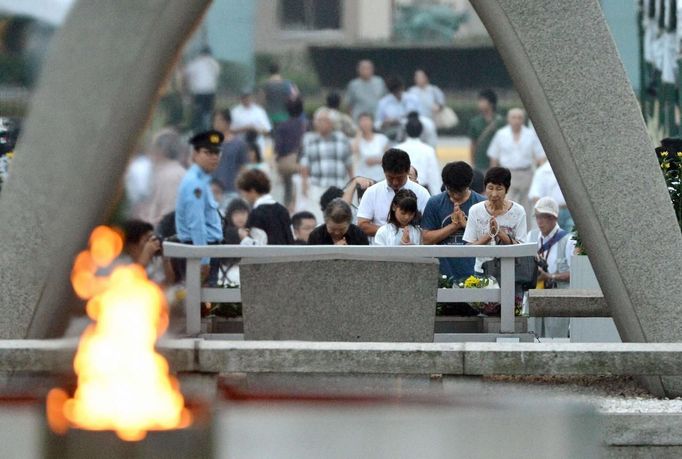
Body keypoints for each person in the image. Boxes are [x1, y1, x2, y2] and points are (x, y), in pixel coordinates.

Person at [422, 162, 486, 281]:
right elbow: (426, 239)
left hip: (475, 274)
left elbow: (488, 238)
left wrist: (466, 225)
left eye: (459, 191)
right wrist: (453, 226)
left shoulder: (482, 204)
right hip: (443, 275)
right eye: (451, 190)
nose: (456, 195)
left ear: (468, 185)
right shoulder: (434, 203)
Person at [175, 130, 225, 282]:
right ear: (194, 154)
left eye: (217, 152)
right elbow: (196, 224)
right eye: (208, 152)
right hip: (200, 251)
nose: (214, 157)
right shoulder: (194, 184)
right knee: (203, 304)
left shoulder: (201, 180)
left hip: (205, 249)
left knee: (207, 304)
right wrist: (203, 261)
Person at [526, 197, 576, 338]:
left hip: (558, 301)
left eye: (545, 217)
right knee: (533, 338)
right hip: (535, 296)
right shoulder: (531, 236)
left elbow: (575, 274)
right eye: (538, 217)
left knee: (556, 339)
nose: (540, 221)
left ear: (554, 217)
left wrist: (550, 276)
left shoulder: (568, 240)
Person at [487, 108, 546, 226]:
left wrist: (543, 175)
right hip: (507, 174)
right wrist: (492, 178)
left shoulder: (530, 135)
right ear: (508, 119)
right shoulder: (501, 134)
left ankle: (525, 234)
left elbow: (540, 157)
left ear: (523, 120)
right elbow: (494, 157)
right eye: (514, 117)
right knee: (507, 205)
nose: (516, 121)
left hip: (526, 173)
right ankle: (508, 231)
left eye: (519, 118)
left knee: (527, 208)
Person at [463, 167, 527, 274]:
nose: (494, 194)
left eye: (499, 188)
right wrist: (489, 235)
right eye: (490, 188)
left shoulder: (518, 211)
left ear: (507, 189)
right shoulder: (475, 211)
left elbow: (521, 248)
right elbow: (469, 248)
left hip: (510, 271)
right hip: (481, 271)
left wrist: (500, 233)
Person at [357, 148, 430, 238]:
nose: (395, 182)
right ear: (383, 171)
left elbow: (429, 227)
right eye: (390, 177)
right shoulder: (372, 192)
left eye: (399, 178)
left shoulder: (422, 193)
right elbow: (362, 224)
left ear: (408, 171)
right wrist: (391, 233)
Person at [300, 108, 353, 222]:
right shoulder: (309, 139)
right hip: (317, 185)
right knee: (318, 219)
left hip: (338, 185)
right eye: (318, 120)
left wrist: (352, 182)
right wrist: (304, 183)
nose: (320, 123)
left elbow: (349, 162)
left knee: (338, 218)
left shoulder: (341, 138)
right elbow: (304, 163)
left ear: (331, 123)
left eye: (323, 120)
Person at [136, 129, 187, 226]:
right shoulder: (163, 172)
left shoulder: (172, 175)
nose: (150, 151)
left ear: (160, 150)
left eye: (153, 147)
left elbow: (168, 215)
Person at [236, 169, 294, 245]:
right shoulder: (283, 210)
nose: (243, 196)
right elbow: (292, 238)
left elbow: (259, 247)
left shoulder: (256, 214)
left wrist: (244, 238)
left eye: (243, 192)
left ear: (252, 191)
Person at [273, 97, 307, 210]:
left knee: (288, 190)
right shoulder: (306, 125)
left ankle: (288, 212)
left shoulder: (282, 126)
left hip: (287, 163)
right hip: (303, 163)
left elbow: (278, 147)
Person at [394, 116, 442, 194]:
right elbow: (433, 176)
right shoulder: (428, 150)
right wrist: (436, 196)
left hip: (401, 190)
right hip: (422, 189)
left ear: (406, 130)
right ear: (421, 131)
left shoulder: (397, 149)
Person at [212, 109, 249, 202]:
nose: (216, 124)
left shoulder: (239, 144)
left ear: (227, 122)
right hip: (212, 190)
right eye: (214, 121)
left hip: (231, 191)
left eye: (219, 121)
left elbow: (243, 167)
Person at [528, 160, 574, 231]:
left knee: (571, 238)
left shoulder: (571, 167)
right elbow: (535, 195)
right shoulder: (542, 171)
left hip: (570, 210)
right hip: (551, 212)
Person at [184, 46, 221, 132]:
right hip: (210, 92)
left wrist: (188, 89)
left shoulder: (195, 62)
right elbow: (216, 75)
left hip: (199, 92)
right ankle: (207, 128)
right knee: (208, 112)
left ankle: (200, 129)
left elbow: (187, 74)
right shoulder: (214, 63)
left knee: (199, 112)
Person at [468, 89, 506, 172]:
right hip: (480, 164)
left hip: (499, 164)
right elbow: (473, 144)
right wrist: (472, 163)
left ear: (491, 103)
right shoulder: (475, 122)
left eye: (482, 101)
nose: (479, 104)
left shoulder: (501, 122)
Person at [374, 76, 420, 141]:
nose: (398, 94)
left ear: (402, 87)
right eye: (395, 92)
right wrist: (384, 123)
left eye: (399, 90)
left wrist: (400, 121)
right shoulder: (383, 103)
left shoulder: (413, 99)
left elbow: (420, 118)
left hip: (411, 133)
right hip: (391, 134)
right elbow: (377, 124)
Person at [231, 89, 272, 155]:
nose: (246, 99)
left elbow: (268, 131)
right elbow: (229, 130)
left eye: (248, 97)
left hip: (258, 146)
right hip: (240, 145)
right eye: (244, 97)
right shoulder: (234, 112)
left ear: (252, 97)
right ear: (241, 98)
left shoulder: (260, 111)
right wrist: (245, 128)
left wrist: (256, 130)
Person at [352, 112, 389, 182]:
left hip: (380, 178)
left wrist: (375, 160)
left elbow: (389, 158)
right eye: (362, 121)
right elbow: (354, 150)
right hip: (363, 179)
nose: (365, 124)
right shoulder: (356, 140)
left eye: (367, 120)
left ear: (372, 122)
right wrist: (358, 133)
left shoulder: (381, 138)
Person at [261, 62, 299, 128]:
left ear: (269, 72)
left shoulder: (266, 86)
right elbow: (295, 97)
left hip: (271, 117)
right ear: (279, 71)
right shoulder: (288, 84)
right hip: (286, 117)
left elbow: (262, 101)